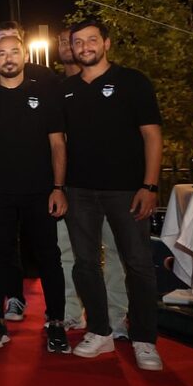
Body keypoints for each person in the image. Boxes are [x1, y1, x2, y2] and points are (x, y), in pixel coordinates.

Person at [62, 19, 163, 370]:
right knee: (85, 264)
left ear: (106, 43)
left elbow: (152, 136)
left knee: (138, 264)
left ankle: (145, 339)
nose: (85, 47)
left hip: (127, 191)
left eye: (92, 40)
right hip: (79, 191)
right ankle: (100, 331)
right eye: (78, 42)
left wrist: (149, 186)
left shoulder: (133, 81)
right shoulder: (66, 89)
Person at [0, 35, 70, 352]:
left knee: (49, 257)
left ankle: (56, 322)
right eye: (2, 53)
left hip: (41, 192)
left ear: (24, 56)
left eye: (14, 52)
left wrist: (58, 188)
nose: (8, 58)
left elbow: (58, 144)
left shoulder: (44, 93)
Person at [55, 28, 129, 335]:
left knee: (115, 252)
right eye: (64, 41)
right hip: (70, 186)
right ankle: (72, 312)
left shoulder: (117, 82)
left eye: (73, 40)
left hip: (113, 186)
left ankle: (116, 318)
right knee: (68, 253)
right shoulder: (57, 88)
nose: (69, 45)